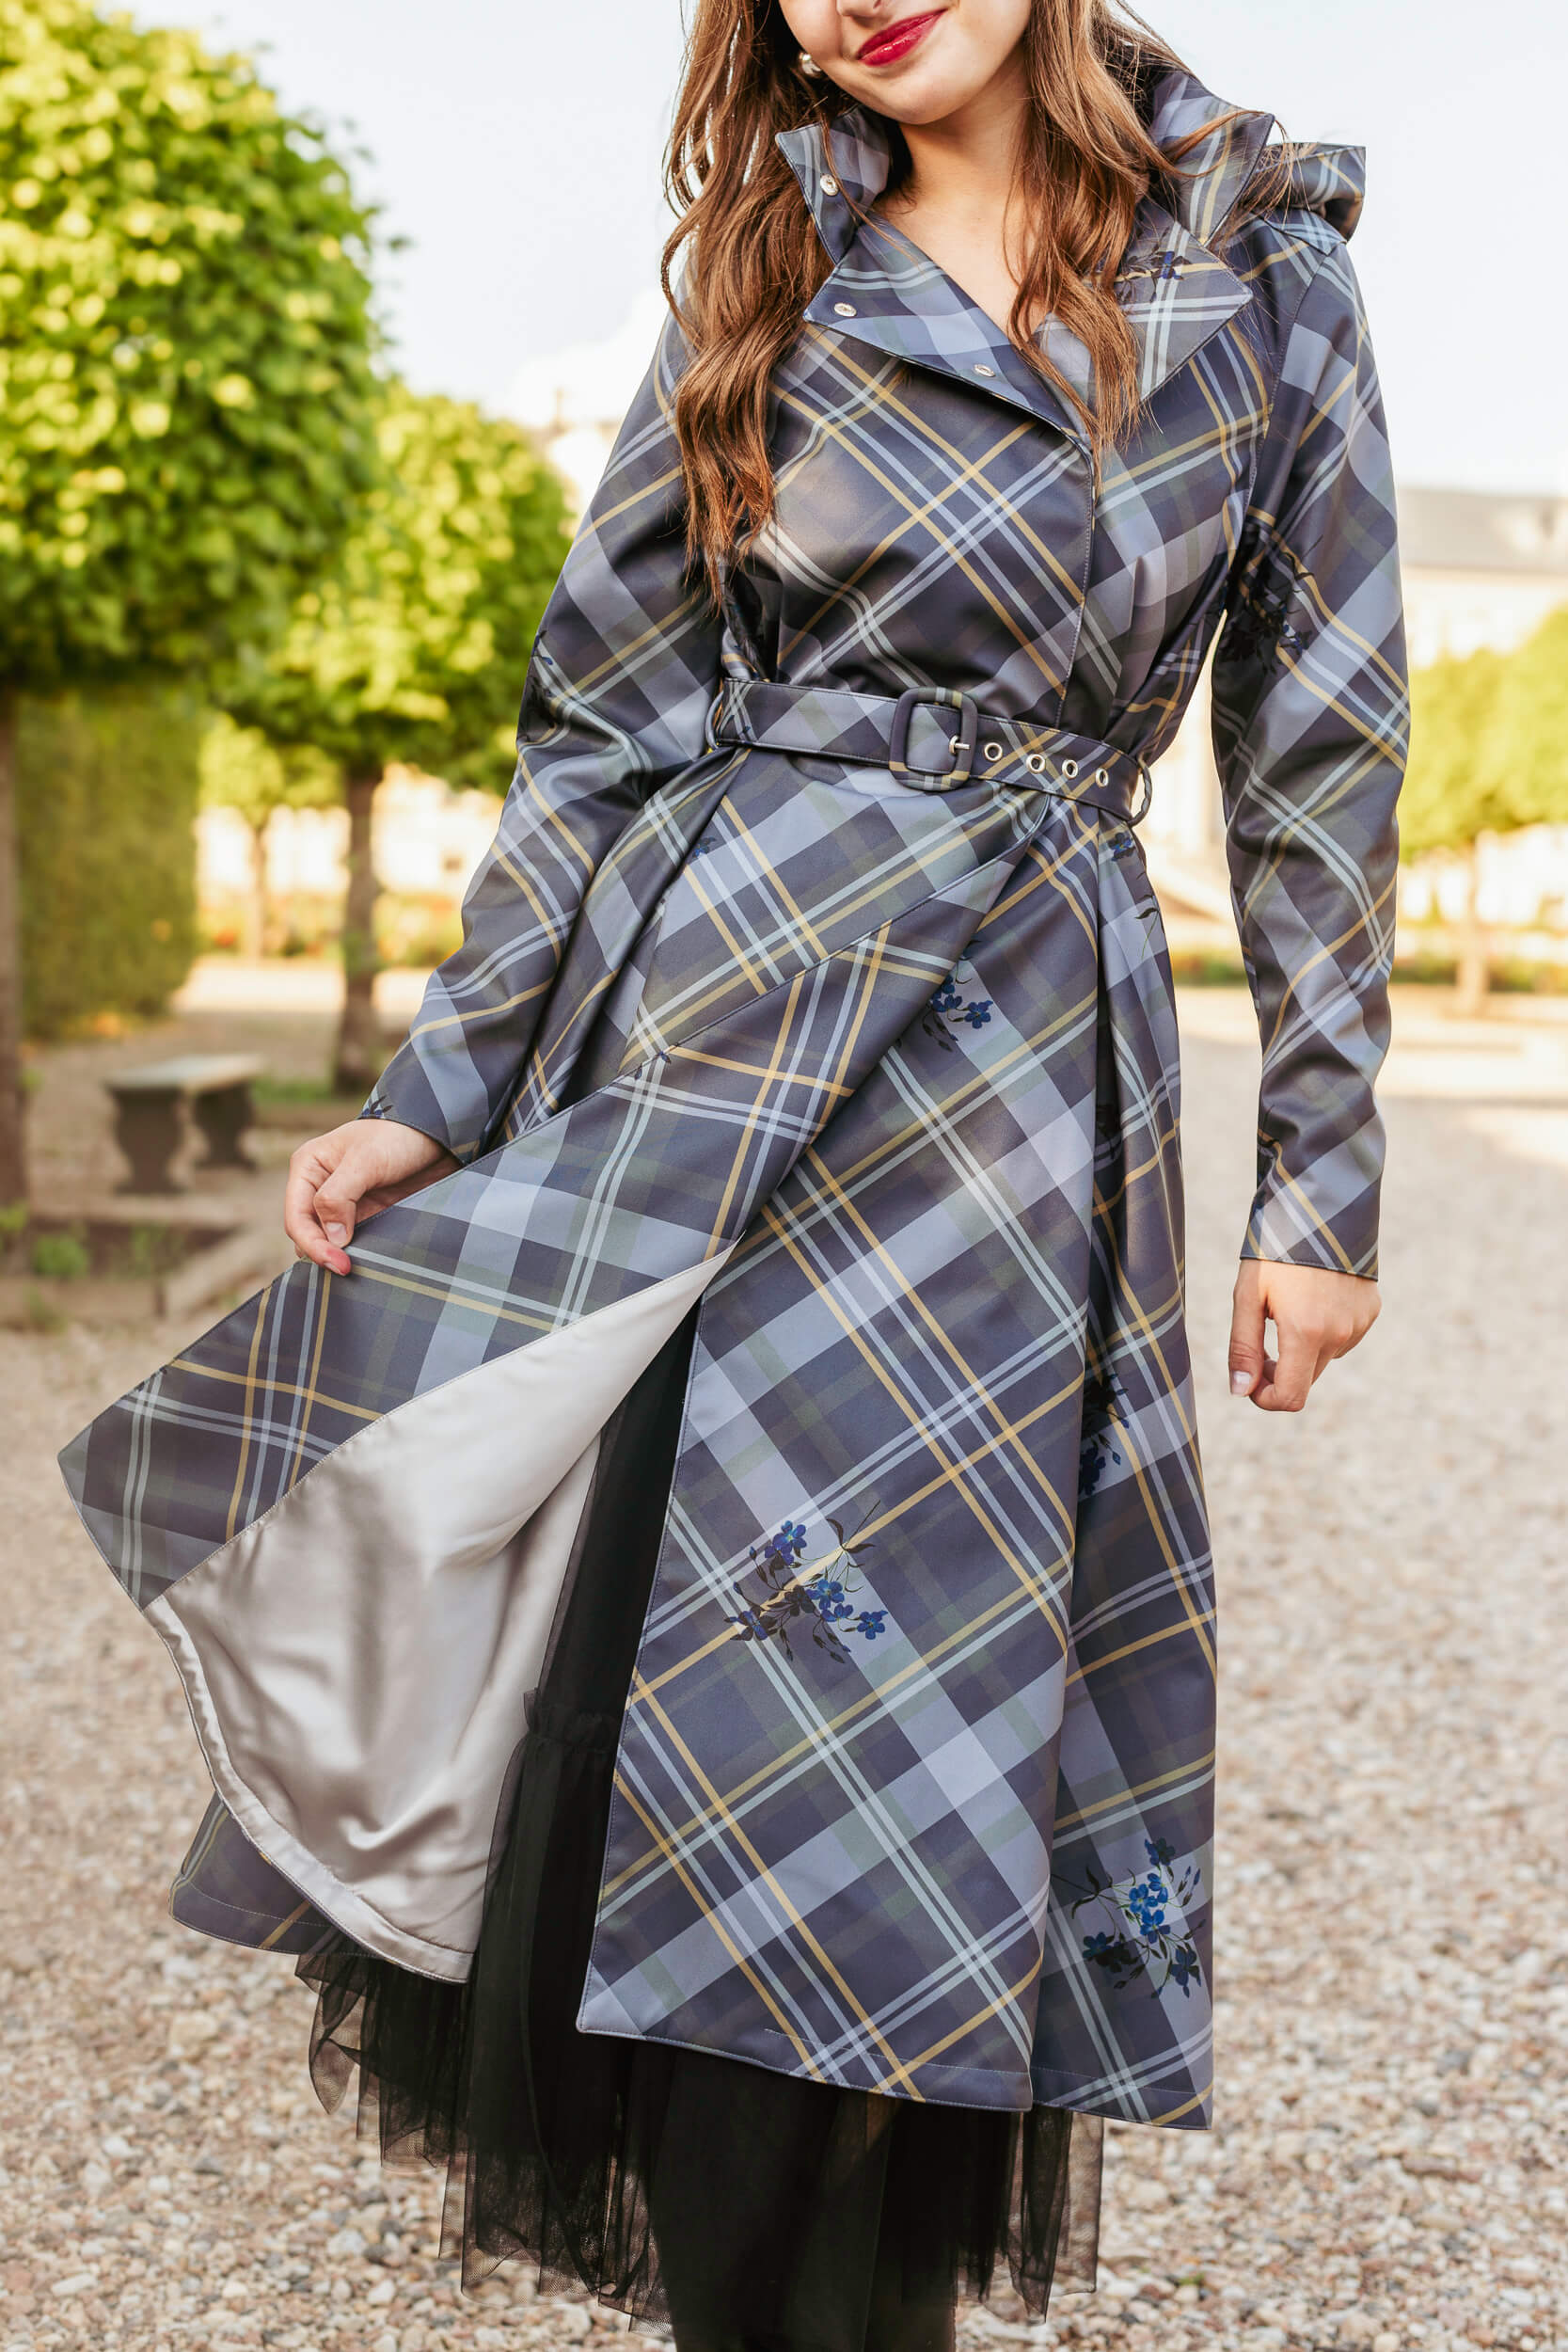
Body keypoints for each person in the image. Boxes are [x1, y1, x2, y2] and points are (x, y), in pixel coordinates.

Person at [60, 4, 1406, 2347]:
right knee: (684, 1750)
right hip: (707, 1055)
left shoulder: (1265, 258)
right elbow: (604, 716)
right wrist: (439, 1078)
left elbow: (1328, 745)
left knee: (915, 1769)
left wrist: (1323, 1179)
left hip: (1012, 1111)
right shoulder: (765, 249)